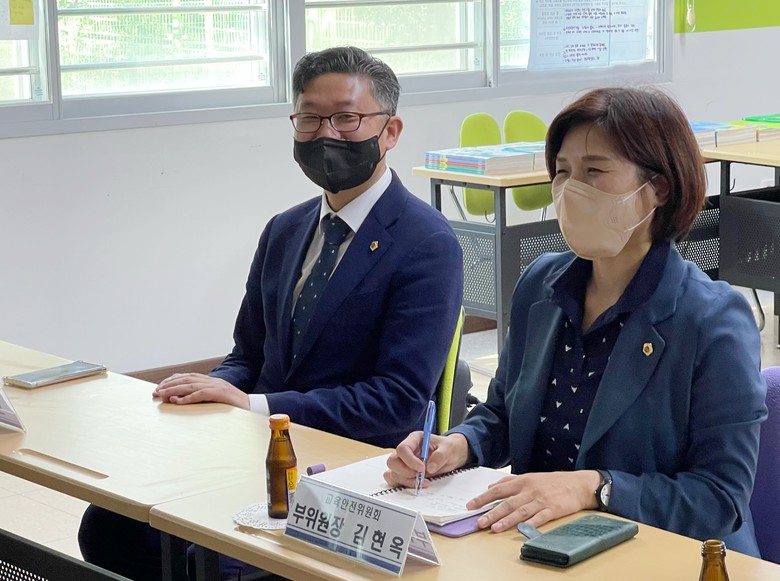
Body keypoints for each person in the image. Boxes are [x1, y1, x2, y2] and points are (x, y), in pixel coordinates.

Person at [79, 46, 463, 580]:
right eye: (310, 119)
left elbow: (395, 400)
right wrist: (210, 390)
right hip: (259, 451)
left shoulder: (427, 243)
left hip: (348, 470)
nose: (326, 134)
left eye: (346, 118)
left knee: (214, 564)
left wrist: (258, 406)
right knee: (110, 525)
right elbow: (249, 353)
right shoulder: (286, 228)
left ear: (390, 130)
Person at [385, 86, 767, 557]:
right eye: (562, 171)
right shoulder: (541, 284)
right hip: (542, 548)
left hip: (670, 557)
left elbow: (720, 497)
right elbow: (502, 413)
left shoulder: (712, 318)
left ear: (660, 187)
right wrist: (457, 446)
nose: (570, 189)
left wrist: (595, 488)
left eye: (594, 171)